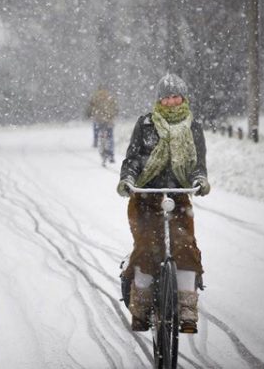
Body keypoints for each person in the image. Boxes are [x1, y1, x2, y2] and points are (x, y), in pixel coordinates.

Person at [116, 74, 211, 334]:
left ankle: (187, 312)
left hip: (178, 196)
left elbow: (197, 164)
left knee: (186, 248)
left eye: (176, 96)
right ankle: (141, 311)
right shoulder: (145, 124)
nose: (171, 101)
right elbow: (132, 158)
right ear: (159, 99)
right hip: (146, 196)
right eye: (166, 96)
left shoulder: (194, 127)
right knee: (147, 247)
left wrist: (199, 179)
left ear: (183, 97)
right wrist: (128, 179)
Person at [86, 85, 118, 162]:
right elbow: (116, 109)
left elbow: (90, 108)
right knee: (109, 137)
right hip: (107, 120)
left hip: (100, 120)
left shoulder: (96, 99)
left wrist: (89, 114)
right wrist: (113, 116)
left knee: (102, 134)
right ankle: (110, 153)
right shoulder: (111, 99)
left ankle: (103, 149)